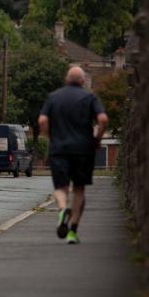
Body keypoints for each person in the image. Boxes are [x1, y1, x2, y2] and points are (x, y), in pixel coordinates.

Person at [38, 66, 108, 244]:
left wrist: (50, 136)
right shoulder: (90, 97)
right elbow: (102, 119)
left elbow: (43, 120)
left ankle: (62, 209)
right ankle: (72, 231)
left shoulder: (54, 97)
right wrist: (98, 138)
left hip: (59, 148)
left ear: (66, 79)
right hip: (83, 149)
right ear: (83, 81)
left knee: (61, 187)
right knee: (79, 189)